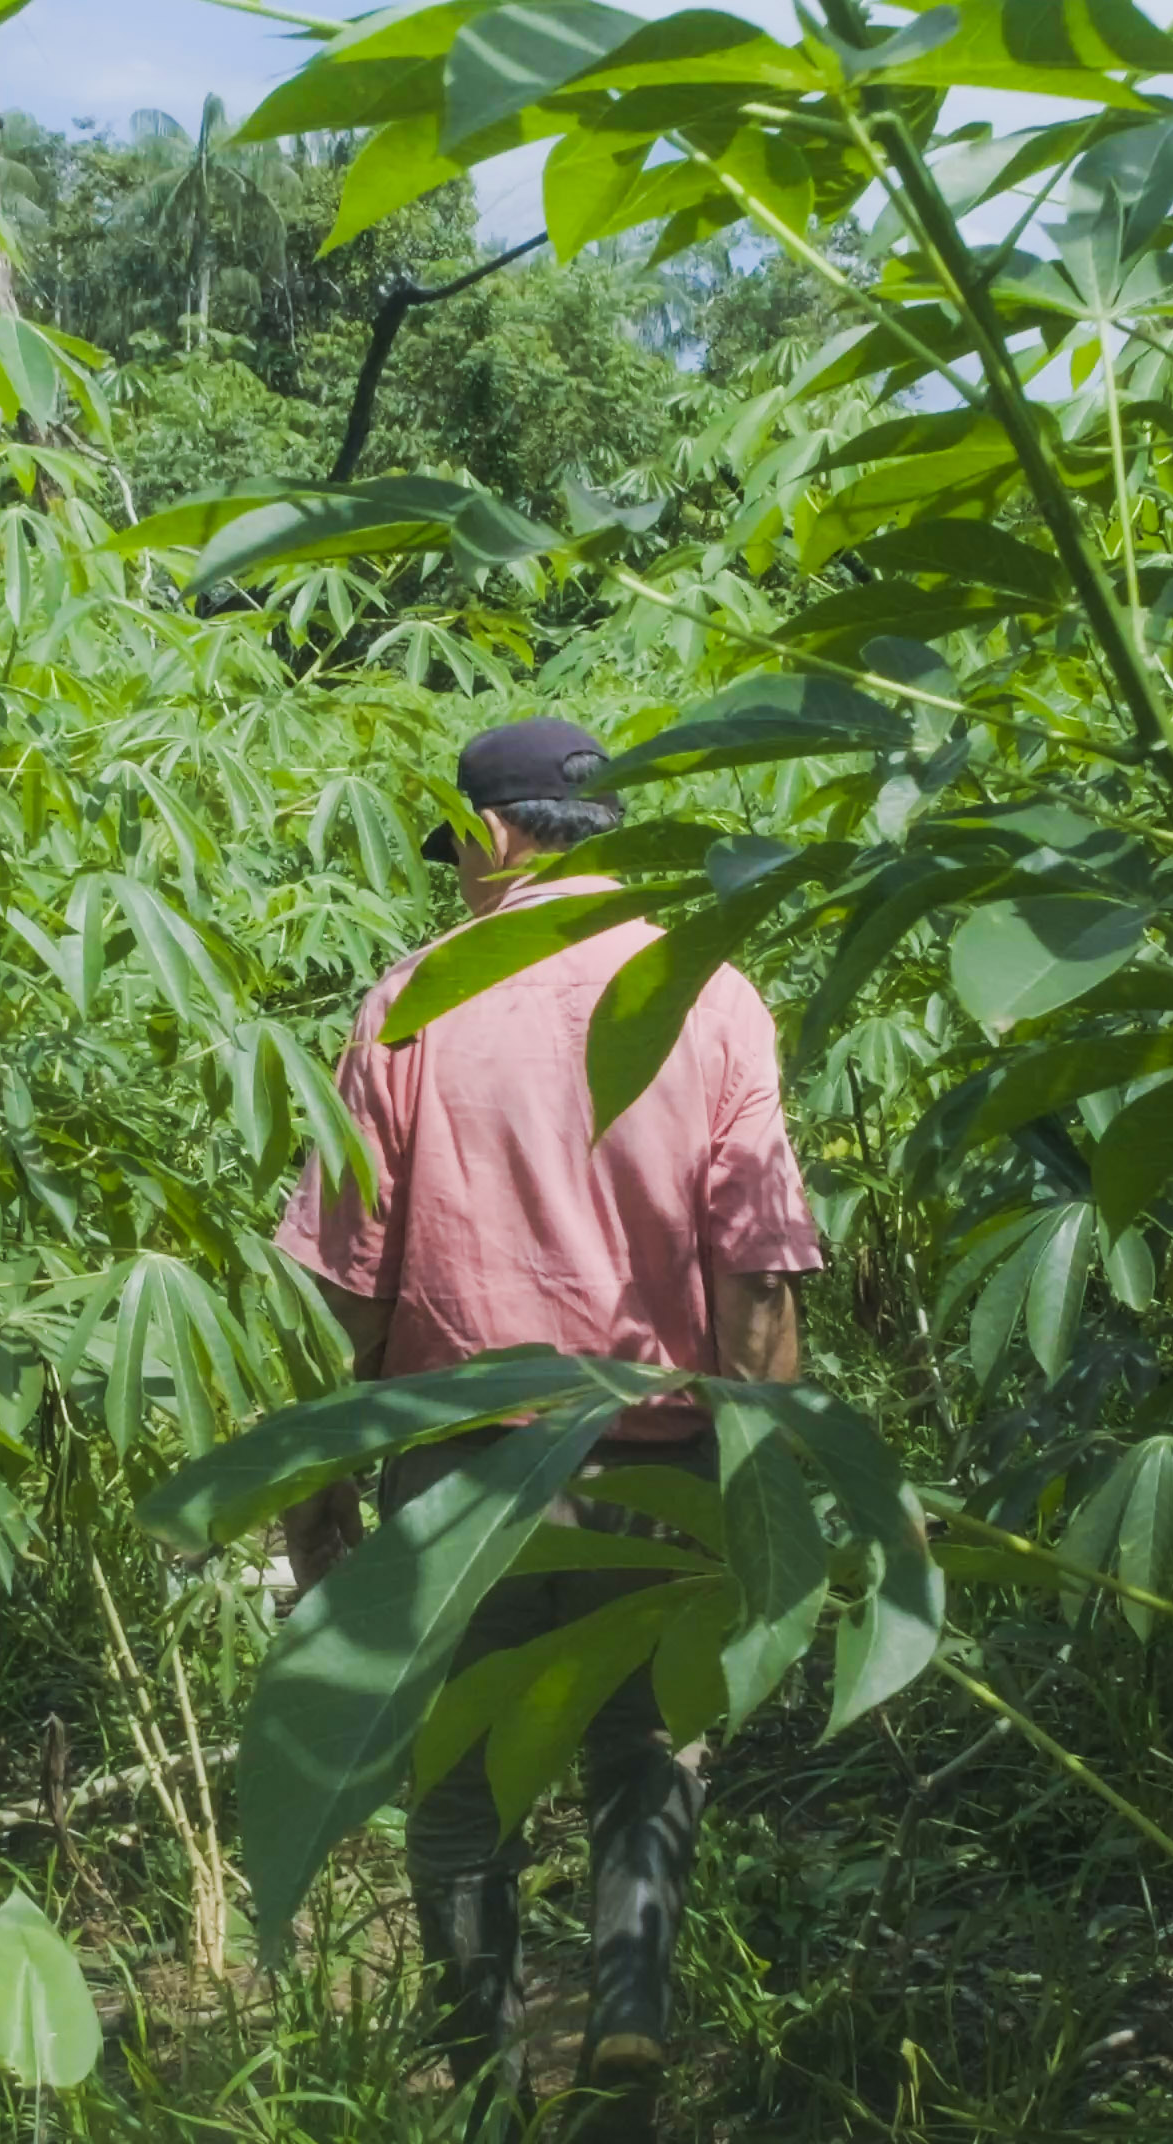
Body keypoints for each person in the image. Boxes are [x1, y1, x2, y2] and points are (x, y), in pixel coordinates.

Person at [268, 716, 825, 2140]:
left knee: (458, 1797)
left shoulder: (413, 1000)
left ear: (494, 840)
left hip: (461, 1482)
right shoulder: (714, 1000)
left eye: (457, 844)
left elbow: (344, 1282)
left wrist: (314, 1487)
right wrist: (771, 1503)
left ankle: (487, 2087)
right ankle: (629, 2026)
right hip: (668, 1468)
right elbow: (757, 1279)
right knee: (648, 1759)